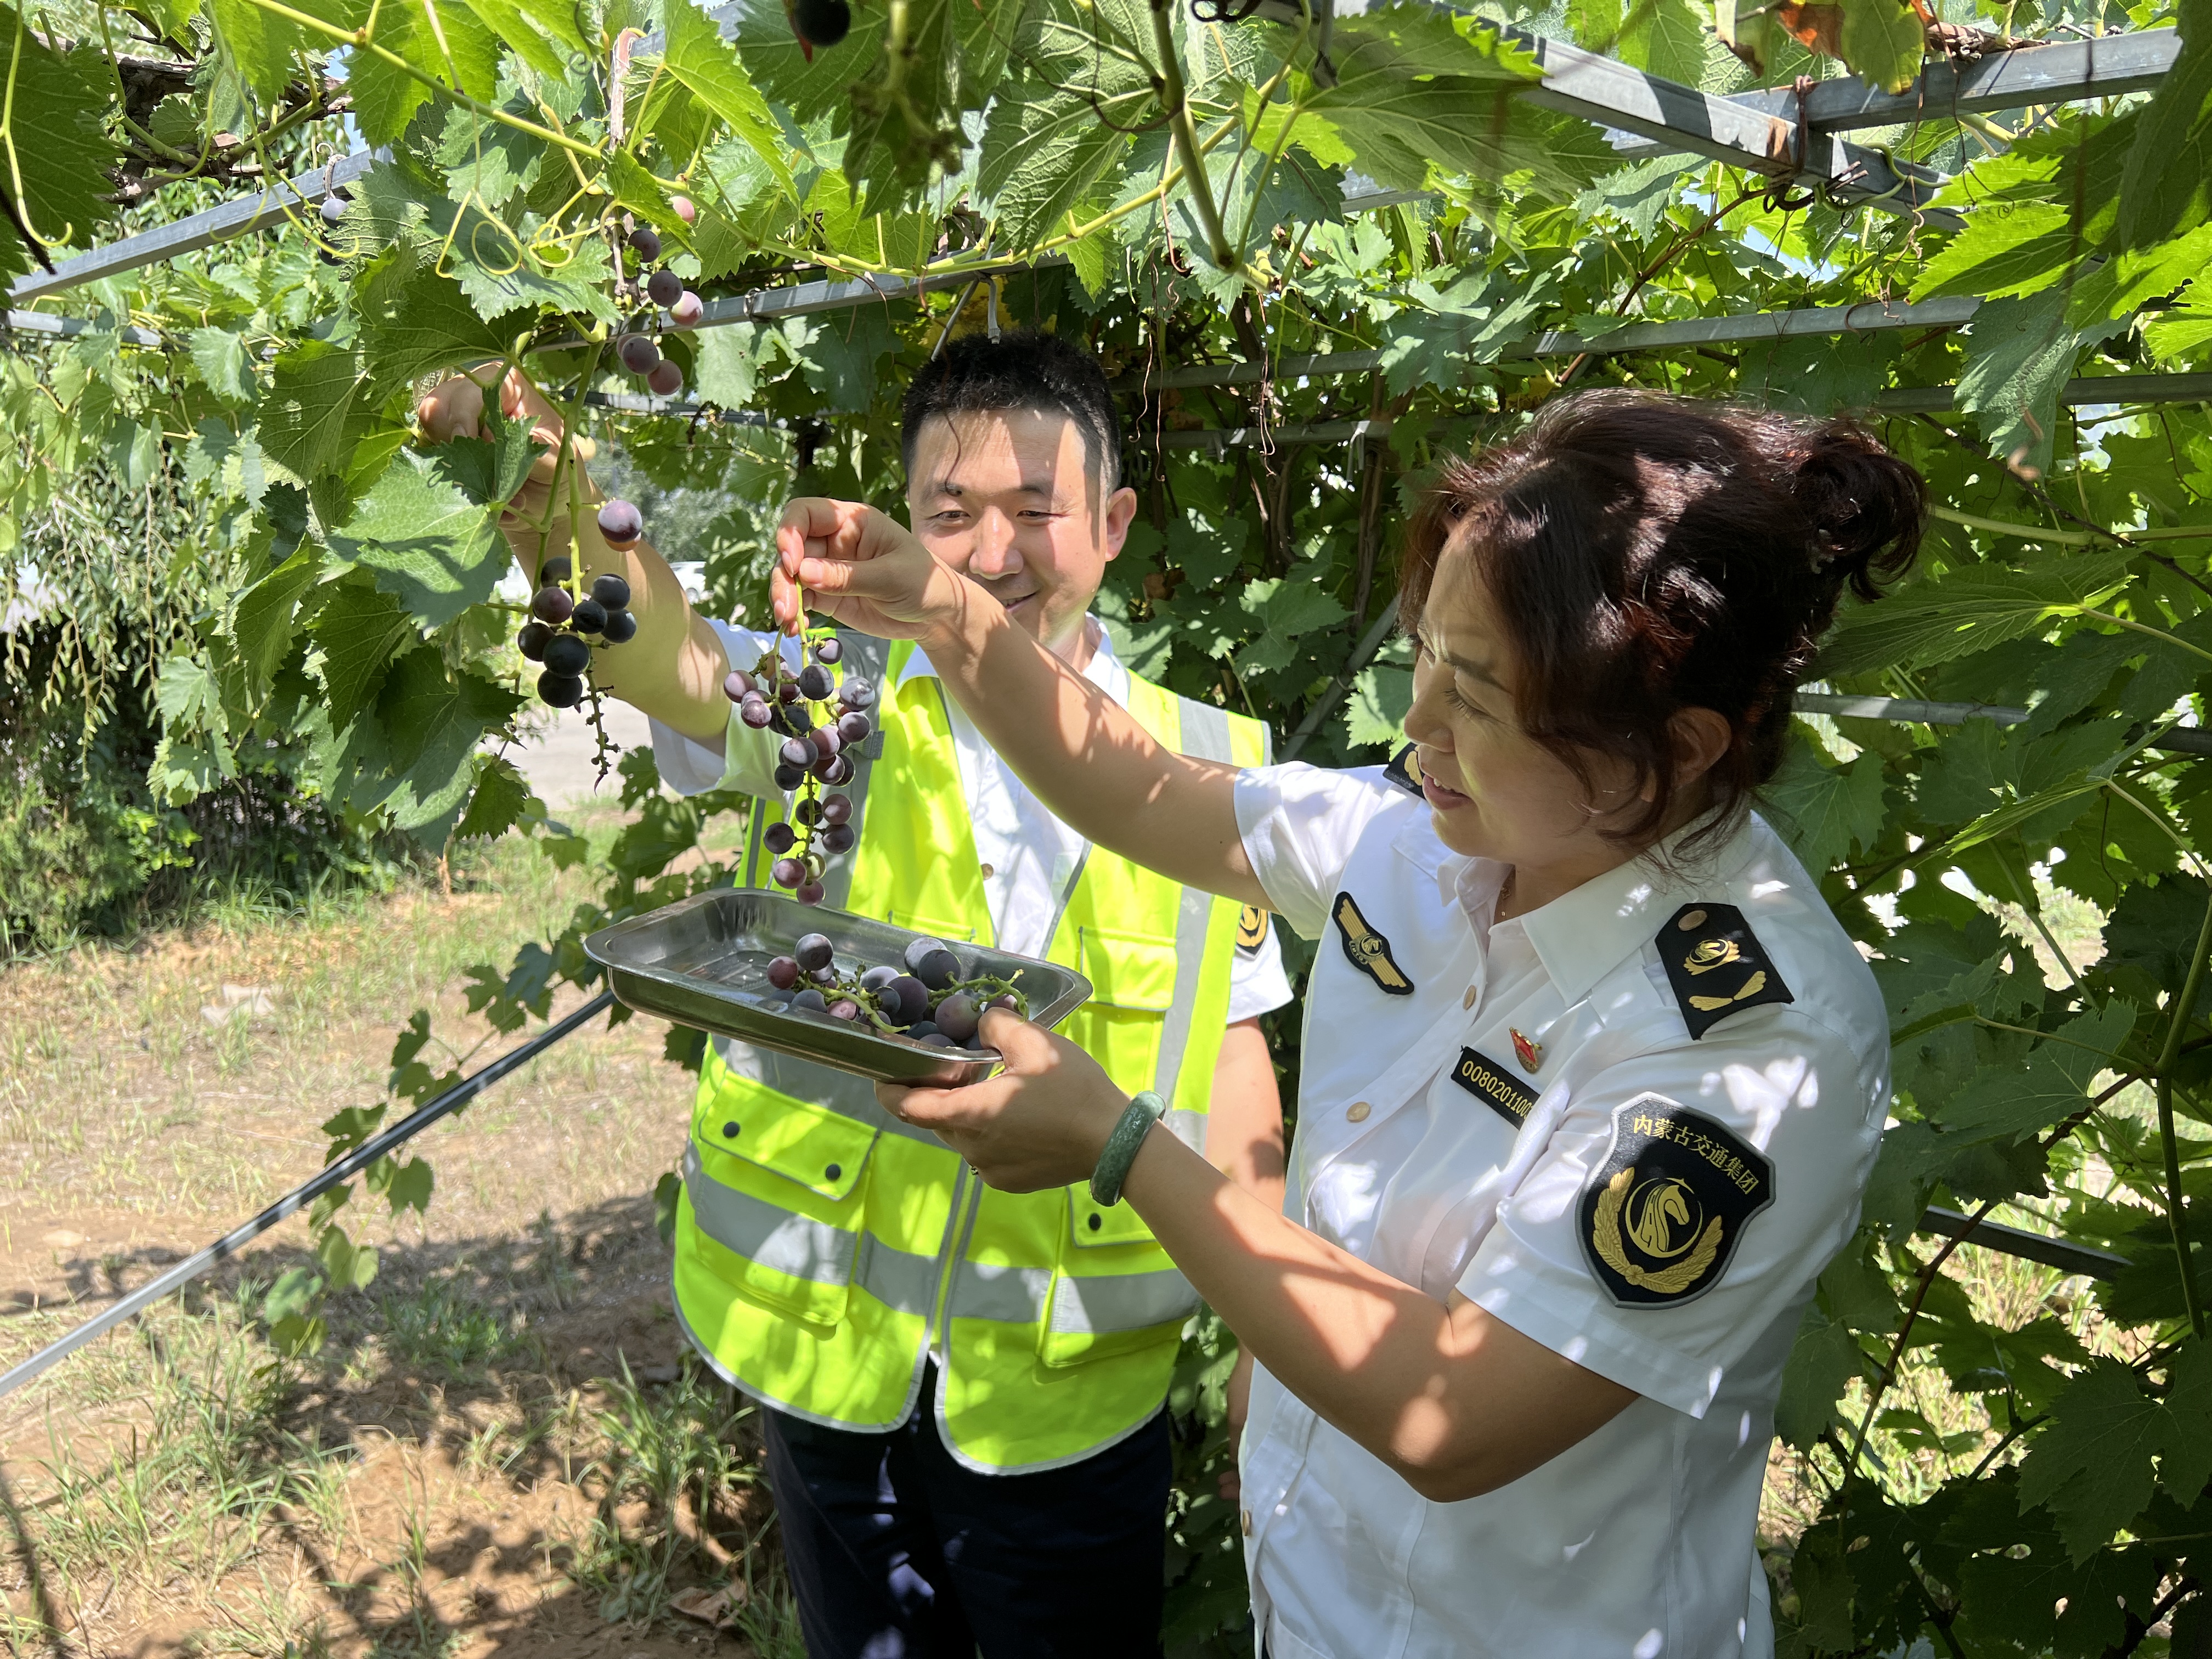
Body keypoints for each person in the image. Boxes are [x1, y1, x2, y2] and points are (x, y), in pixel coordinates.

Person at [768, 390, 1925, 1658]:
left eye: (1477, 699)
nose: (1418, 724)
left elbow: (1455, 1411)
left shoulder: (1753, 1048)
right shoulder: (1431, 836)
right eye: (1428, 651)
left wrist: (1122, 1148)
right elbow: (1145, 789)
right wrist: (946, 613)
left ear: (1675, 747)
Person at [417, 331, 1290, 1658]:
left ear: (1111, 524)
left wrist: (1271, 1354)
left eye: (1035, 511)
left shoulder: (1211, 765)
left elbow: (1230, 1059)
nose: (990, 552)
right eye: (949, 515)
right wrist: (533, 455)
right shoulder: (835, 695)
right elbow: (657, 656)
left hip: (1070, 1404)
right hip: (828, 1371)